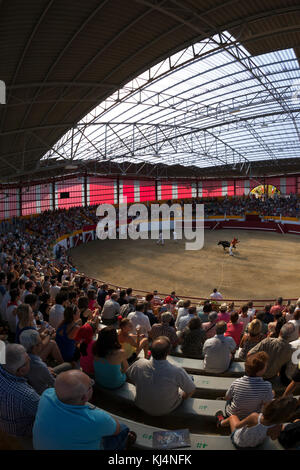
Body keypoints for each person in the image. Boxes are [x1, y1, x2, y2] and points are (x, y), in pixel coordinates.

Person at [33, 370, 136, 450]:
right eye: (90, 385)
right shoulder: (95, 419)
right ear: (84, 398)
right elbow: (117, 429)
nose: (92, 384)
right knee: (123, 428)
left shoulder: (46, 394)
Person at [126, 336, 195, 416]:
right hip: (166, 409)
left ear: (151, 351)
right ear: (168, 352)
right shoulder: (177, 371)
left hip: (141, 404)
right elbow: (191, 390)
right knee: (190, 378)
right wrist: (183, 397)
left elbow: (128, 377)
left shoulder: (139, 364)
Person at [216, 396, 299, 449]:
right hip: (254, 446)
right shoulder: (278, 427)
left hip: (238, 442)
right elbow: (273, 438)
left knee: (233, 417)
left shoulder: (254, 417)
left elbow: (237, 426)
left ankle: (221, 422)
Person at [0, 344, 40, 437]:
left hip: (4, 421)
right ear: (21, 370)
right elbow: (42, 412)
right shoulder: (27, 395)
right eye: (27, 360)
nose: (30, 359)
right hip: (20, 429)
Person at [221, 352, 274, 420]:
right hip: (252, 418)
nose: (267, 367)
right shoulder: (267, 386)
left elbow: (227, 397)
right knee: (269, 397)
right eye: (266, 366)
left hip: (234, 416)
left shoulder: (236, 382)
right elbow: (267, 403)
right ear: (260, 371)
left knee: (228, 400)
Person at [19, 329, 71, 395]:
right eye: (40, 342)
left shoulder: (20, 355)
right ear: (35, 347)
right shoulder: (40, 365)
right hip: (44, 391)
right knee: (68, 365)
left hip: (34, 382)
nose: (42, 344)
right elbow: (53, 383)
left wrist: (46, 370)